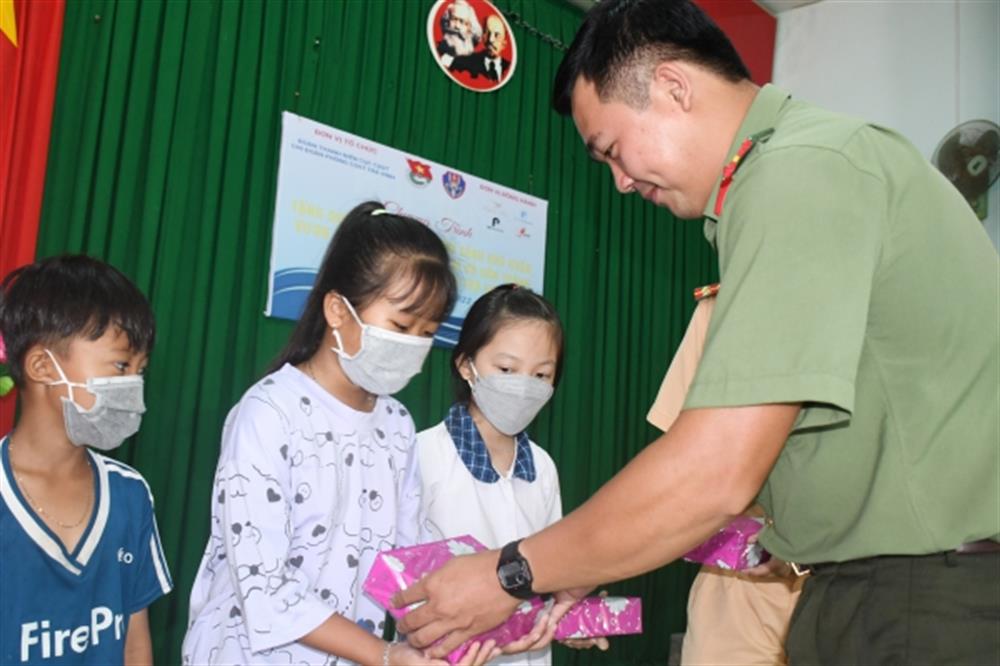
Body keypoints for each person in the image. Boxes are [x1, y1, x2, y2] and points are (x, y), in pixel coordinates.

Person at [391, 1, 1000, 663]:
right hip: (882, 589)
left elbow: (716, 470)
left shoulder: (802, 172)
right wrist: (584, 565)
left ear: (674, 87)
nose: (621, 183)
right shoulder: (810, 170)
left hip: (914, 601)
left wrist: (508, 574)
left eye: (614, 151)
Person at [182, 202, 496, 666]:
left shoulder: (396, 424)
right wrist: (386, 655)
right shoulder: (269, 413)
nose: (413, 345)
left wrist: (512, 613)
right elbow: (264, 588)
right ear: (337, 309)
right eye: (401, 325)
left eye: (427, 332)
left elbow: (406, 563)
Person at [408, 284, 606, 665]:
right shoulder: (423, 454)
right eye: (506, 369)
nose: (524, 385)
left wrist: (570, 619)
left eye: (542, 374)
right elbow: (405, 586)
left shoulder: (543, 467)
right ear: (467, 365)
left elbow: (552, 573)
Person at [0, 255, 173, 665]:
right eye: (120, 365)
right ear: (43, 366)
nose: (133, 386)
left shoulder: (130, 494)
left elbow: (134, 644)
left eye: (140, 371)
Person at [646, 292, 801, 666]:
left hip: (855, 577)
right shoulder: (723, 307)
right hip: (742, 580)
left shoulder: (878, 301)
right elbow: (685, 463)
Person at [451, 15, 512, 83]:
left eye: (497, 35)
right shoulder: (464, 63)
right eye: (487, 33)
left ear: (504, 43)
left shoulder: (510, 68)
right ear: (483, 37)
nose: (490, 40)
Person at [436, 0, 482, 68]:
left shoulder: (475, 63)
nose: (457, 26)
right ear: (447, 21)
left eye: (462, 21)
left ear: (469, 28)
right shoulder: (438, 50)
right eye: (454, 19)